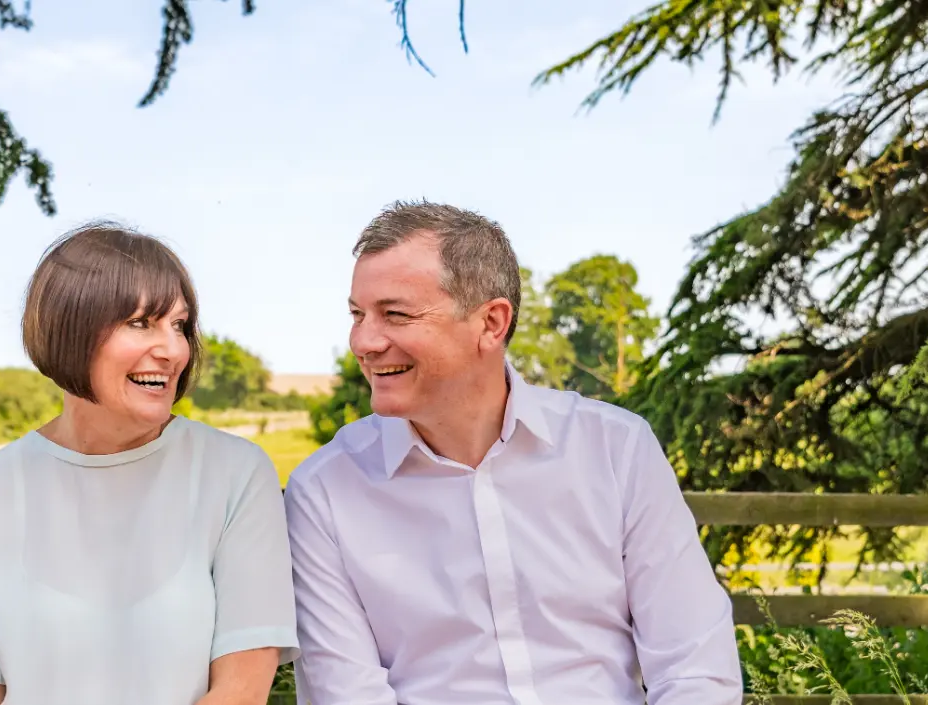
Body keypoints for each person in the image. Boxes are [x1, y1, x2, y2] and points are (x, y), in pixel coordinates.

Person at [286, 201, 741, 704]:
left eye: (395, 314)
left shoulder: (617, 449)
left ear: (491, 322)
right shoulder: (324, 490)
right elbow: (346, 694)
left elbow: (695, 667)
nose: (363, 342)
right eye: (357, 315)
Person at [0, 224, 298, 705]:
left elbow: (241, 690)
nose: (173, 350)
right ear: (70, 330)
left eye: (180, 325)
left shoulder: (236, 474)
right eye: (141, 323)